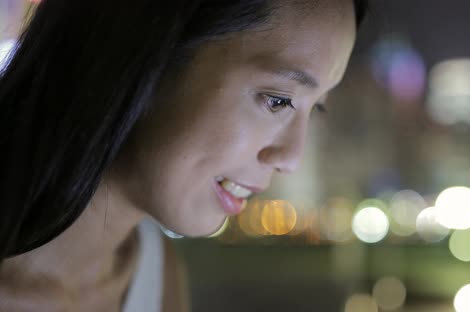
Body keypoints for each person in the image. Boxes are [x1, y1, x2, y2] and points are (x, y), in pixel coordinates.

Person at [0, 0, 368, 311]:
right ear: (148, 52)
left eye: (315, 108)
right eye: (278, 100)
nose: (290, 158)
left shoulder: (156, 274)